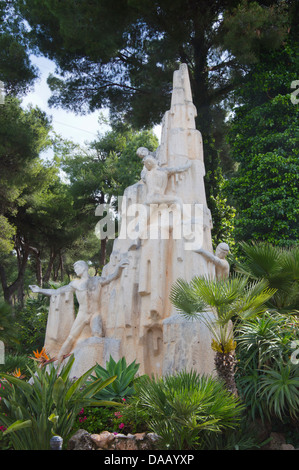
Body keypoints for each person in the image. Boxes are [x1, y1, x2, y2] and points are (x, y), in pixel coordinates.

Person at [29, 258, 128, 360]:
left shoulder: (97, 280)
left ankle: (94, 360)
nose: (75, 270)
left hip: (95, 314)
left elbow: (111, 277)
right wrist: (39, 290)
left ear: (84, 267)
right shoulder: (75, 284)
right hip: (82, 314)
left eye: (77, 267)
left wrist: (119, 268)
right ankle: (58, 361)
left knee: (97, 335)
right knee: (71, 338)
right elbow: (57, 291)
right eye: (74, 268)